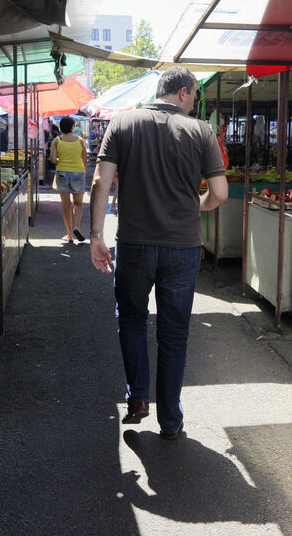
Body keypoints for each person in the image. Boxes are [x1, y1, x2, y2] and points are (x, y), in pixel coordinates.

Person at [89, 67, 227, 441]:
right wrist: (196, 205)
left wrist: (97, 236)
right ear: (182, 92)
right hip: (183, 248)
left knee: (132, 320)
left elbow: (101, 181)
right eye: (194, 95)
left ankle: (138, 397)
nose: (194, 103)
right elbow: (219, 193)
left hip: (134, 244)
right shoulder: (201, 131)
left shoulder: (123, 122)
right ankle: (170, 418)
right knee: (174, 333)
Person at [50, 116, 88, 243]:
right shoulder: (80, 140)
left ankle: (70, 235)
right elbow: (84, 159)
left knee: (66, 206)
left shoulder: (57, 140)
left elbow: (53, 159)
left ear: (61, 127)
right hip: (78, 172)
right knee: (78, 204)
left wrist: (62, 161)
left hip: (62, 173)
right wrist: (83, 173)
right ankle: (77, 227)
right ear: (72, 127)